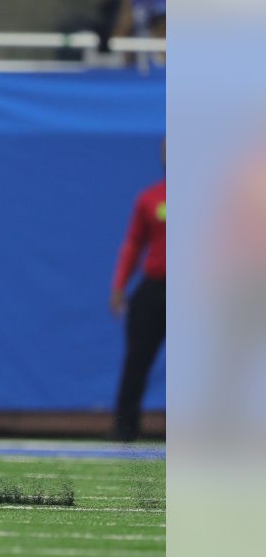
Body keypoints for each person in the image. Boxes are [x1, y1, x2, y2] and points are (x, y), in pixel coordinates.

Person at [110, 143, 165, 441]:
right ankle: (125, 426)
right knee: (137, 358)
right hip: (156, 286)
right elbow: (133, 243)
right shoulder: (150, 198)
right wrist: (119, 285)